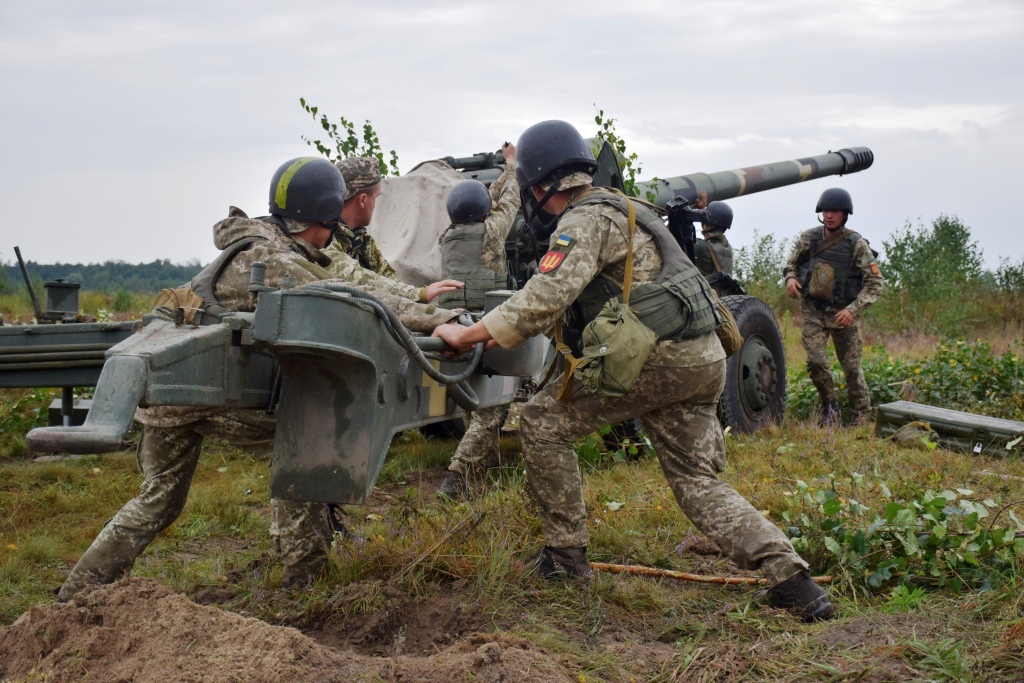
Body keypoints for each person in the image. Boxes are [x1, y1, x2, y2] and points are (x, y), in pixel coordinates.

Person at [433, 120, 834, 621]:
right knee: (697, 482)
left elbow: (543, 299)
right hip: (703, 357)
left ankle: (565, 557)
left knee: (539, 422)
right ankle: (795, 582)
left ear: (538, 187)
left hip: (656, 360)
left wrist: (467, 334)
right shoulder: (633, 210)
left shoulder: (583, 221)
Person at [58, 158, 459, 601]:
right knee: (306, 443)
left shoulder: (262, 243)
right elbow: (349, 296)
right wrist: (435, 320)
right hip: (200, 391)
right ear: (325, 218)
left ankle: (76, 594)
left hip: (168, 398)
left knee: (158, 501)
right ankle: (306, 579)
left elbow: (341, 275)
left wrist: (420, 298)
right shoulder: (270, 257)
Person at [435, 143, 520, 498]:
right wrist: (512, 166)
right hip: (487, 326)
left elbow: (488, 203)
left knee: (473, 400)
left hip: (456, 326)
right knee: (493, 407)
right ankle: (457, 479)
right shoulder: (492, 233)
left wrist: (496, 180)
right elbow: (510, 202)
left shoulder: (447, 237)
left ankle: (485, 470)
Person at [783, 188, 883, 426]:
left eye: (835, 211)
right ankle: (829, 408)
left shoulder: (856, 244)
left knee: (851, 368)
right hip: (813, 311)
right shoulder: (809, 238)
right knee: (816, 362)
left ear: (845, 214)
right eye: (826, 210)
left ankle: (861, 414)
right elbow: (791, 264)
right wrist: (790, 278)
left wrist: (853, 310)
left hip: (843, 314)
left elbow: (875, 283)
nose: (829, 215)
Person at [324, 156, 463, 304]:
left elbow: (388, 278)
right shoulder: (323, 236)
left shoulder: (360, 239)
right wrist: (419, 294)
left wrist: (435, 312)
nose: (376, 205)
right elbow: (357, 277)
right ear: (363, 200)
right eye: (376, 198)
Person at [693, 192, 734, 280]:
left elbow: (673, 239)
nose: (703, 226)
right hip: (722, 293)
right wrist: (702, 211)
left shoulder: (701, 247)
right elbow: (708, 233)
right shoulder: (726, 247)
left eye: (705, 223)